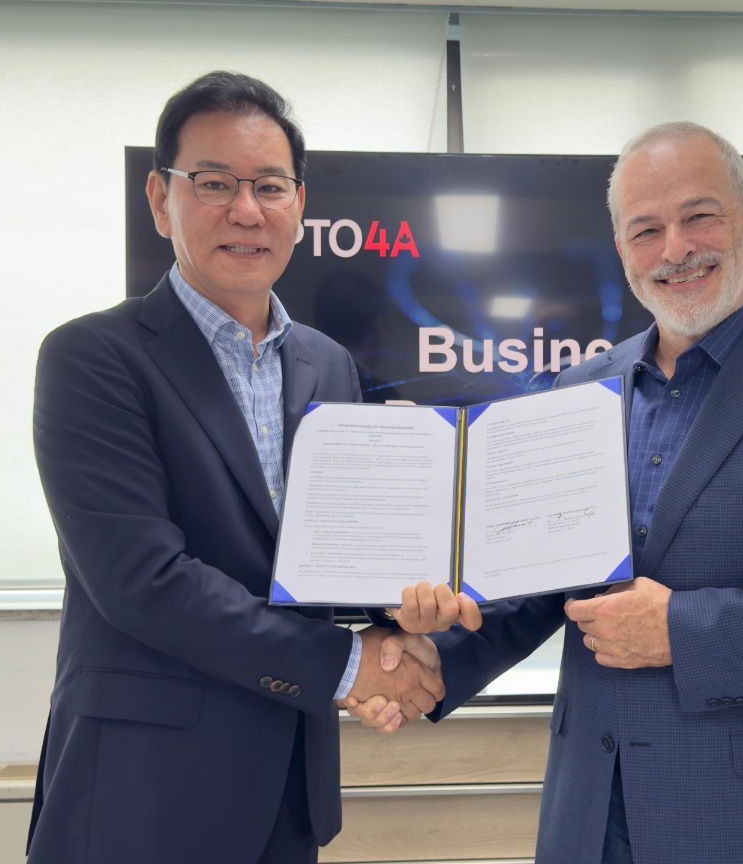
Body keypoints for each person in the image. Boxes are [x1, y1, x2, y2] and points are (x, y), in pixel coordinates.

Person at [351, 122, 743, 863]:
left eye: (699, 216)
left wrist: (683, 629)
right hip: (594, 815)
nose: (675, 249)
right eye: (646, 230)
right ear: (622, 250)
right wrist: (429, 658)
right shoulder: (580, 389)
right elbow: (548, 583)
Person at [26, 71, 444, 864]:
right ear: (161, 199)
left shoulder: (326, 363)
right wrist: (351, 666)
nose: (247, 211)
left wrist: (406, 608)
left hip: (287, 786)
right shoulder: (93, 358)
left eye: (270, 187)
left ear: (299, 205)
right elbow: (143, 581)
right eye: (214, 183)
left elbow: (328, 560)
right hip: (143, 790)